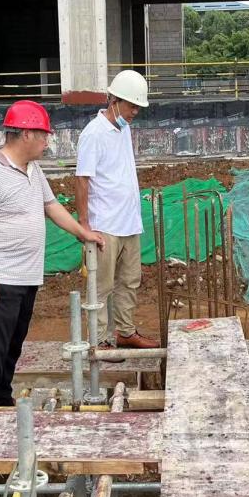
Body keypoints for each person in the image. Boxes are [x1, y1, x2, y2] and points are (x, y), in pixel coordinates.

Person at [0, 100, 105, 407]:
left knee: (10, 349)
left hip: (24, 278)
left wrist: (82, 232)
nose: (47, 142)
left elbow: (50, 206)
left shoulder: (33, 170)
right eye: (43, 135)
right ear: (26, 134)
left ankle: (1, 404)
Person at [75, 70, 158, 356]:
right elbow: (82, 179)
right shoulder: (93, 134)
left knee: (129, 281)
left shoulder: (124, 129)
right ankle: (100, 340)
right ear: (114, 100)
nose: (135, 112)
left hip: (128, 222)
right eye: (131, 106)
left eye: (138, 107)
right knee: (101, 286)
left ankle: (125, 331)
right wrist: (85, 224)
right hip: (105, 225)